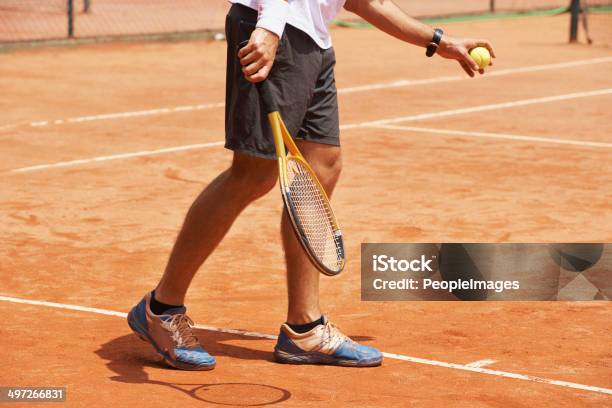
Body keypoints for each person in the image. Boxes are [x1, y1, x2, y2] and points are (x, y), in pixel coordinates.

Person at [127, 0, 495, 370]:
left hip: (313, 40)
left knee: (323, 166)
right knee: (254, 174)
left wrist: (436, 40)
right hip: (271, 28)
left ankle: (305, 329)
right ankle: (161, 308)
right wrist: (270, 27)